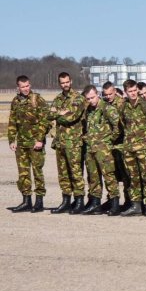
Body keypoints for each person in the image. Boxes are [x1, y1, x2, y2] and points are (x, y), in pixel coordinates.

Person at [119, 80, 146, 218]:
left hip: (144, 147)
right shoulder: (123, 107)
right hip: (129, 148)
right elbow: (122, 123)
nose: (132, 94)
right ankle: (135, 205)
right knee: (133, 178)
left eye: (134, 91)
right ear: (125, 92)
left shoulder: (145, 105)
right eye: (129, 91)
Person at [8, 75, 50, 213]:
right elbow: (12, 121)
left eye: (27, 86)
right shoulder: (15, 101)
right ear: (18, 87)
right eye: (22, 87)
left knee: (37, 171)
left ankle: (39, 201)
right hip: (21, 144)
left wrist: (39, 139)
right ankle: (26, 200)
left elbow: (45, 121)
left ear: (30, 85)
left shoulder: (37, 99)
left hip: (35, 143)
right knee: (23, 173)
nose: (25, 89)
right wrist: (11, 140)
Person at [49, 72, 87, 214]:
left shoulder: (78, 98)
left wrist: (59, 115)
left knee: (76, 173)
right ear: (60, 84)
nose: (65, 85)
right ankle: (66, 201)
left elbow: (72, 117)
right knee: (63, 174)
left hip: (74, 143)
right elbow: (49, 114)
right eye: (62, 83)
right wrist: (62, 112)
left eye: (67, 82)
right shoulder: (58, 98)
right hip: (60, 142)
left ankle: (79, 201)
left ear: (71, 81)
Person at [81, 84, 121, 215]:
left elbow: (117, 127)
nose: (90, 100)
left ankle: (115, 203)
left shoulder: (107, 108)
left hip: (103, 149)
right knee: (93, 177)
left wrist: (108, 141)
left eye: (92, 97)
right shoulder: (89, 110)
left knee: (109, 176)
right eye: (88, 98)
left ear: (97, 94)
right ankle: (95, 203)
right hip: (91, 148)